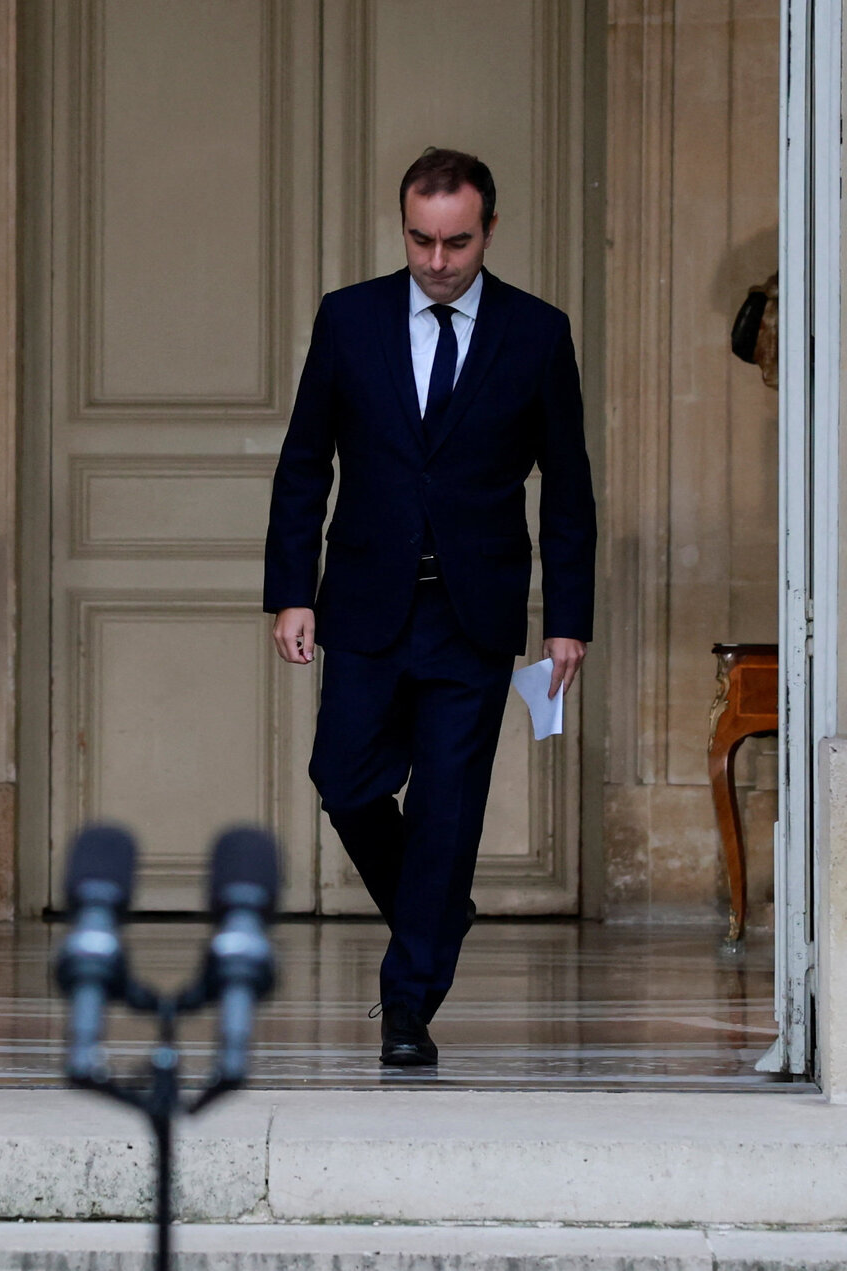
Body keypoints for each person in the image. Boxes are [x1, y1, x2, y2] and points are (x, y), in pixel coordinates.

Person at [264, 146, 596, 1069]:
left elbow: (568, 488)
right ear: (403, 227)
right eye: (421, 240)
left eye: (457, 242)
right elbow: (304, 464)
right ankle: (439, 906)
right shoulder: (349, 318)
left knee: (448, 809)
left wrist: (568, 618)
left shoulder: (538, 333)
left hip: (473, 613)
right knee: (343, 776)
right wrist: (291, 592)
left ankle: (409, 1004)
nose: (438, 260)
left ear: (490, 230)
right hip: (364, 602)